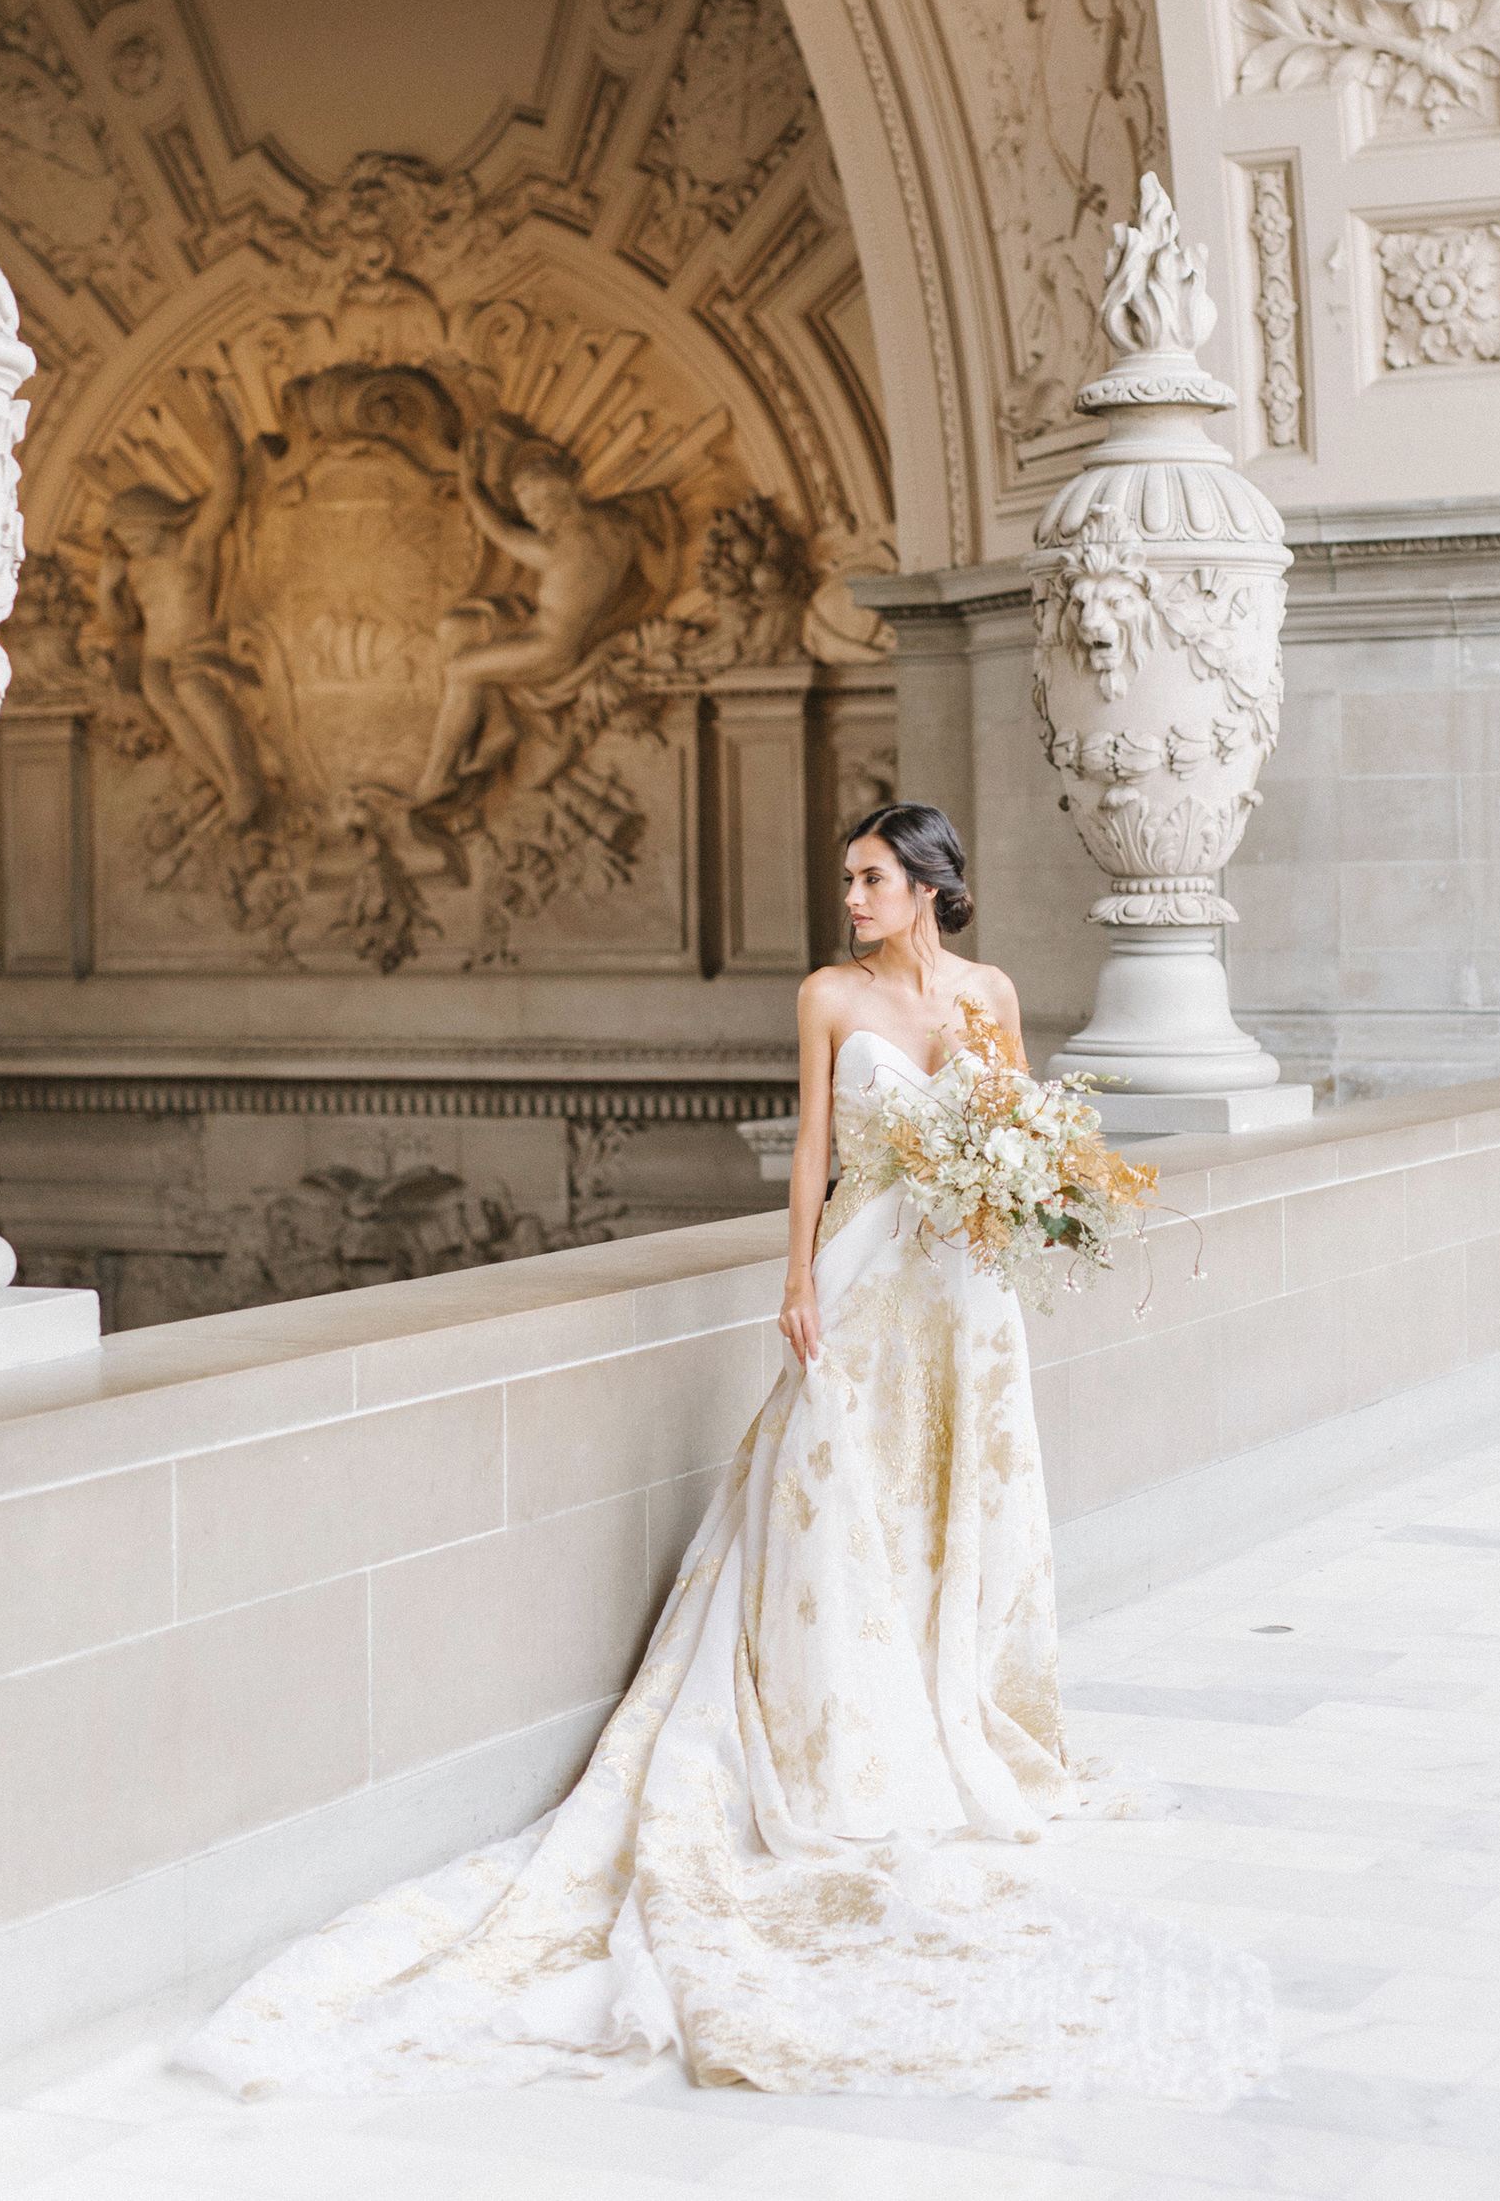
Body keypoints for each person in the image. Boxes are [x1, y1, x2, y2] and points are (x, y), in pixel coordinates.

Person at [180, 802, 1275, 2104]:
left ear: (927, 886)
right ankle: (843, 1731)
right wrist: (798, 1282)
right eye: (848, 877)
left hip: (967, 1299)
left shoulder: (989, 991)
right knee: (832, 1496)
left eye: (872, 878)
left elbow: (1024, 1137)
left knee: (951, 1502)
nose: (853, 896)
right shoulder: (826, 997)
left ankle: (950, 1694)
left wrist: (1038, 1195)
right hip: (868, 1282)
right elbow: (814, 1151)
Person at [413, 428, 682, 806]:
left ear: (557, 499)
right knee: (456, 627)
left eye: (535, 510)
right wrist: (668, 538)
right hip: (536, 626)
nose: (533, 519)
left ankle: (437, 778)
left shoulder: (556, 547)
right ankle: (497, 729)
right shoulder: (623, 527)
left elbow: (499, 531)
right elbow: (663, 579)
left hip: (548, 651)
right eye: (528, 513)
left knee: (460, 669)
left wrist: (471, 487)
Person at [97, 384, 267, 832]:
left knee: (191, 689)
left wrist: (223, 433)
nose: (131, 545)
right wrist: (107, 587)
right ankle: (227, 784)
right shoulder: (136, 571)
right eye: (125, 540)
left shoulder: (194, 545)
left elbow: (226, 489)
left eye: (134, 534)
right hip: (156, 654)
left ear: (157, 520)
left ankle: (240, 773)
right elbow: (122, 624)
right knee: (163, 699)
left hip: (201, 644)